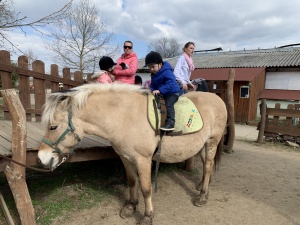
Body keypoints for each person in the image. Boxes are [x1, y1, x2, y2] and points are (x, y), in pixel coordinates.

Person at [145, 51, 180, 131]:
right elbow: (153, 85)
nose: (151, 69)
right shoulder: (154, 74)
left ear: (160, 64)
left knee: (168, 105)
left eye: (153, 67)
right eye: (149, 68)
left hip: (172, 93)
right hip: (162, 93)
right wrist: (152, 90)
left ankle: (171, 123)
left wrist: (160, 90)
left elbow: (171, 83)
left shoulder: (167, 72)